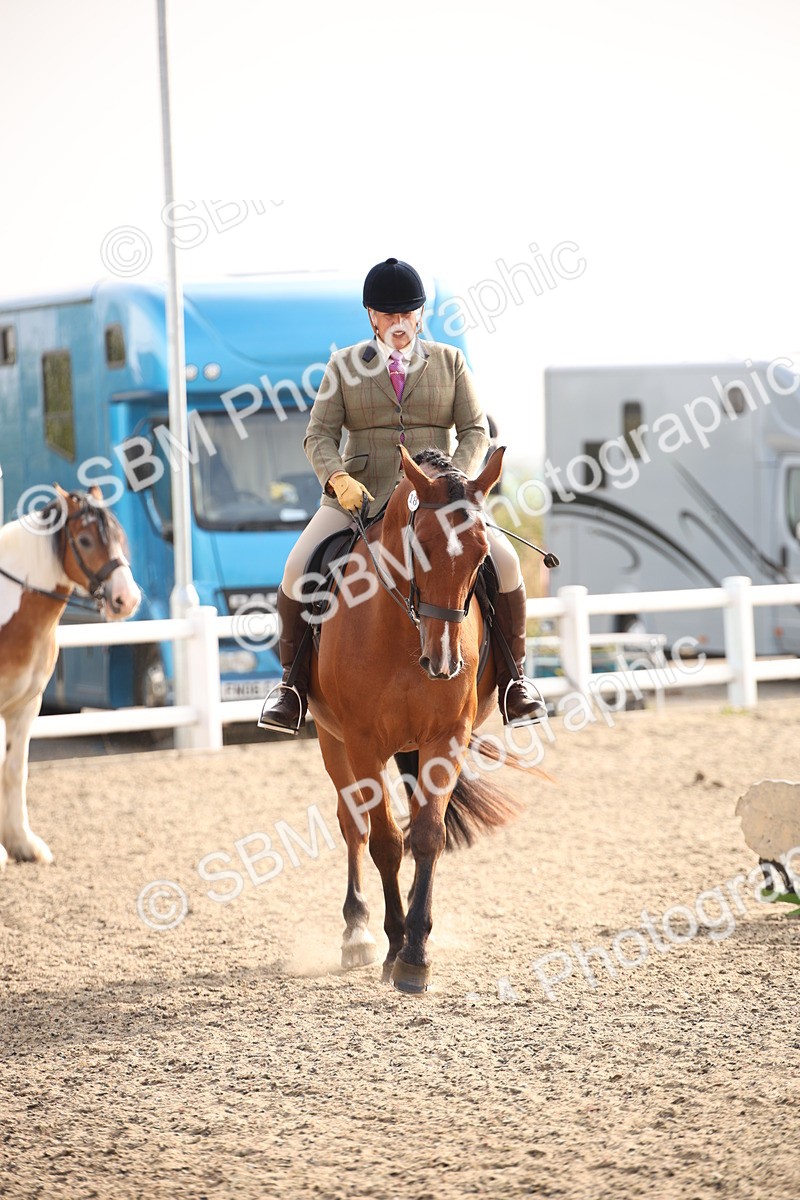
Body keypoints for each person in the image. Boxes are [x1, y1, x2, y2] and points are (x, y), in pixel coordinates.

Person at [258, 257, 547, 734]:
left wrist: (460, 485)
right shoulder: (344, 365)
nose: (398, 324)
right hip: (359, 499)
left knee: (509, 563)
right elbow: (318, 437)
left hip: (443, 503)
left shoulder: (450, 361)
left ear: (420, 313)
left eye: (406, 314)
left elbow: (475, 428)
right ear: (372, 316)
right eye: (388, 315)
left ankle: (516, 681)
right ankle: (290, 687)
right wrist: (336, 477)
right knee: (296, 567)